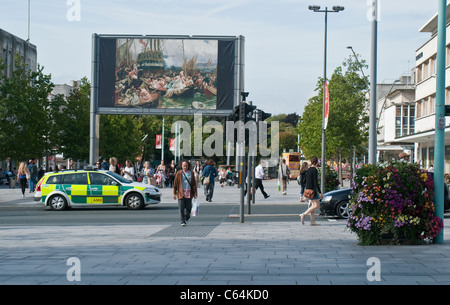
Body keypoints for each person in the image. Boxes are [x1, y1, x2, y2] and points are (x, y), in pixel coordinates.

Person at [173, 160, 198, 226]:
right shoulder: (179, 173)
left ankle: (186, 217)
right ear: (181, 166)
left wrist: (195, 193)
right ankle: (182, 221)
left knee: (189, 208)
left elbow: (193, 184)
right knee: (181, 207)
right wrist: (174, 193)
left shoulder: (191, 173)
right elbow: (175, 183)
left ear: (188, 166)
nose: (185, 167)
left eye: (186, 166)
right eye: (184, 166)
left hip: (189, 193)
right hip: (180, 192)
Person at [299, 156, 322, 226]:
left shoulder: (308, 169)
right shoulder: (314, 170)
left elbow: (307, 180)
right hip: (313, 190)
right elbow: (315, 182)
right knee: (317, 205)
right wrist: (320, 192)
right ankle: (304, 214)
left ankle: (312, 221)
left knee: (313, 205)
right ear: (316, 162)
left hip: (308, 189)